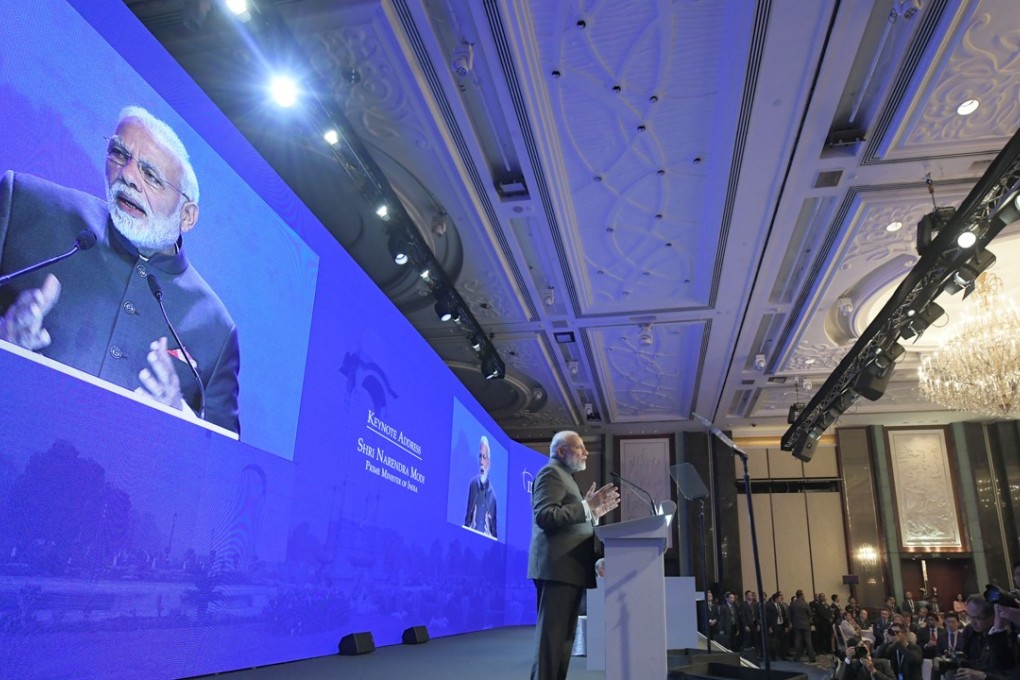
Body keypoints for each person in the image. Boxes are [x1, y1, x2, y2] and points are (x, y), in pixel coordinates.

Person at [0, 106, 239, 433]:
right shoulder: (25, 204)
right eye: (119, 154)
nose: (127, 175)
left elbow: (221, 453)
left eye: (151, 175)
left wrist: (179, 416)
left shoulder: (217, 329)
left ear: (187, 216)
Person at [528, 431, 619, 680]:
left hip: (569, 570)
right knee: (550, 644)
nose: (586, 452)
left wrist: (593, 512)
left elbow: (571, 520)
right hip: (557, 570)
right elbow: (545, 516)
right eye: (580, 448)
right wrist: (587, 507)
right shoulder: (551, 473)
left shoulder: (565, 477)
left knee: (563, 644)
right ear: (561, 451)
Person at [463, 435, 497, 537]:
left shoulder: (493, 496)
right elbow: (467, 520)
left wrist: (490, 535)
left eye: (484, 457)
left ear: (489, 463)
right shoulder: (472, 485)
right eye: (480, 456)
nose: (481, 462)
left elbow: (494, 533)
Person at [790, 589, 816, 662]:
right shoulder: (805, 604)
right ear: (801, 595)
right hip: (806, 624)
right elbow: (810, 613)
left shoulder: (793, 604)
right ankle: (812, 657)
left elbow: (790, 614)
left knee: (798, 641)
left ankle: (797, 657)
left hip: (796, 624)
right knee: (808, 641)